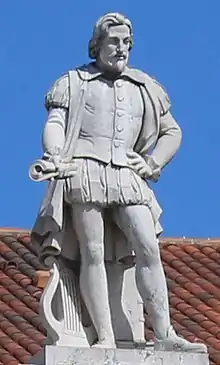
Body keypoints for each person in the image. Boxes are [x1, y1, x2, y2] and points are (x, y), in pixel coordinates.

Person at [32, 12, 206, 352]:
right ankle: (105, 336)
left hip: (127, 174)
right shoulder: (73, 82)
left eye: (127, 42)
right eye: (114, 41)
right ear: (97, 45)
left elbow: (172, 131)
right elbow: (56, 122)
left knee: (148, 247)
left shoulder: (145, 86)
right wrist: (55, 154)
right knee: (92, 251)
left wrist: (152, 163)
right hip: (85, 169)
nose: (121, 48)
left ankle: (165, 334)